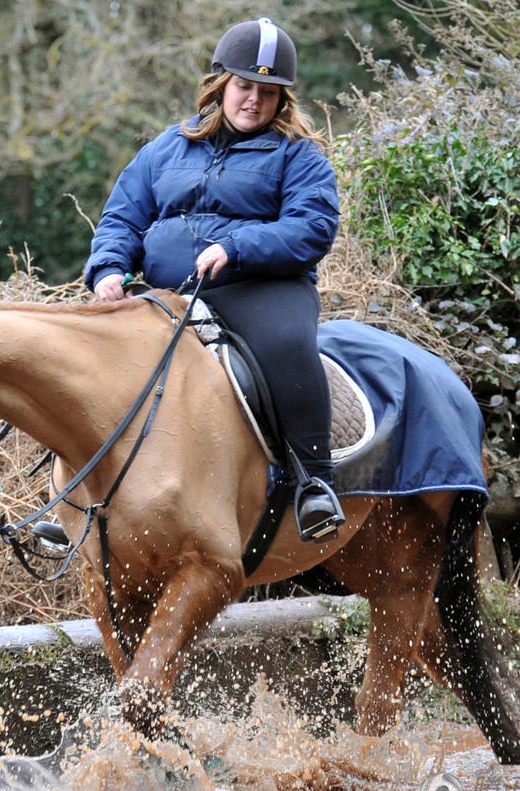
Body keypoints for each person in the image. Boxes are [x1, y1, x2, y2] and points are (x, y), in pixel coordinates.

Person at [84, 17, 343, 542]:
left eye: (268, 92)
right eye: (245, 86)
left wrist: (238, 247)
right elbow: (122, 218)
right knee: (87, 358)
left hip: (262, 289)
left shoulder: (298, 155)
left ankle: (315, 483)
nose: (254, 100)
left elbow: (312, 226)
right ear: (221, 84)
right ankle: (74, 497)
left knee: (290, 346)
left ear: (281, 99)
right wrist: (110, 269)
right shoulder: (166, 147)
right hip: (165, 292)